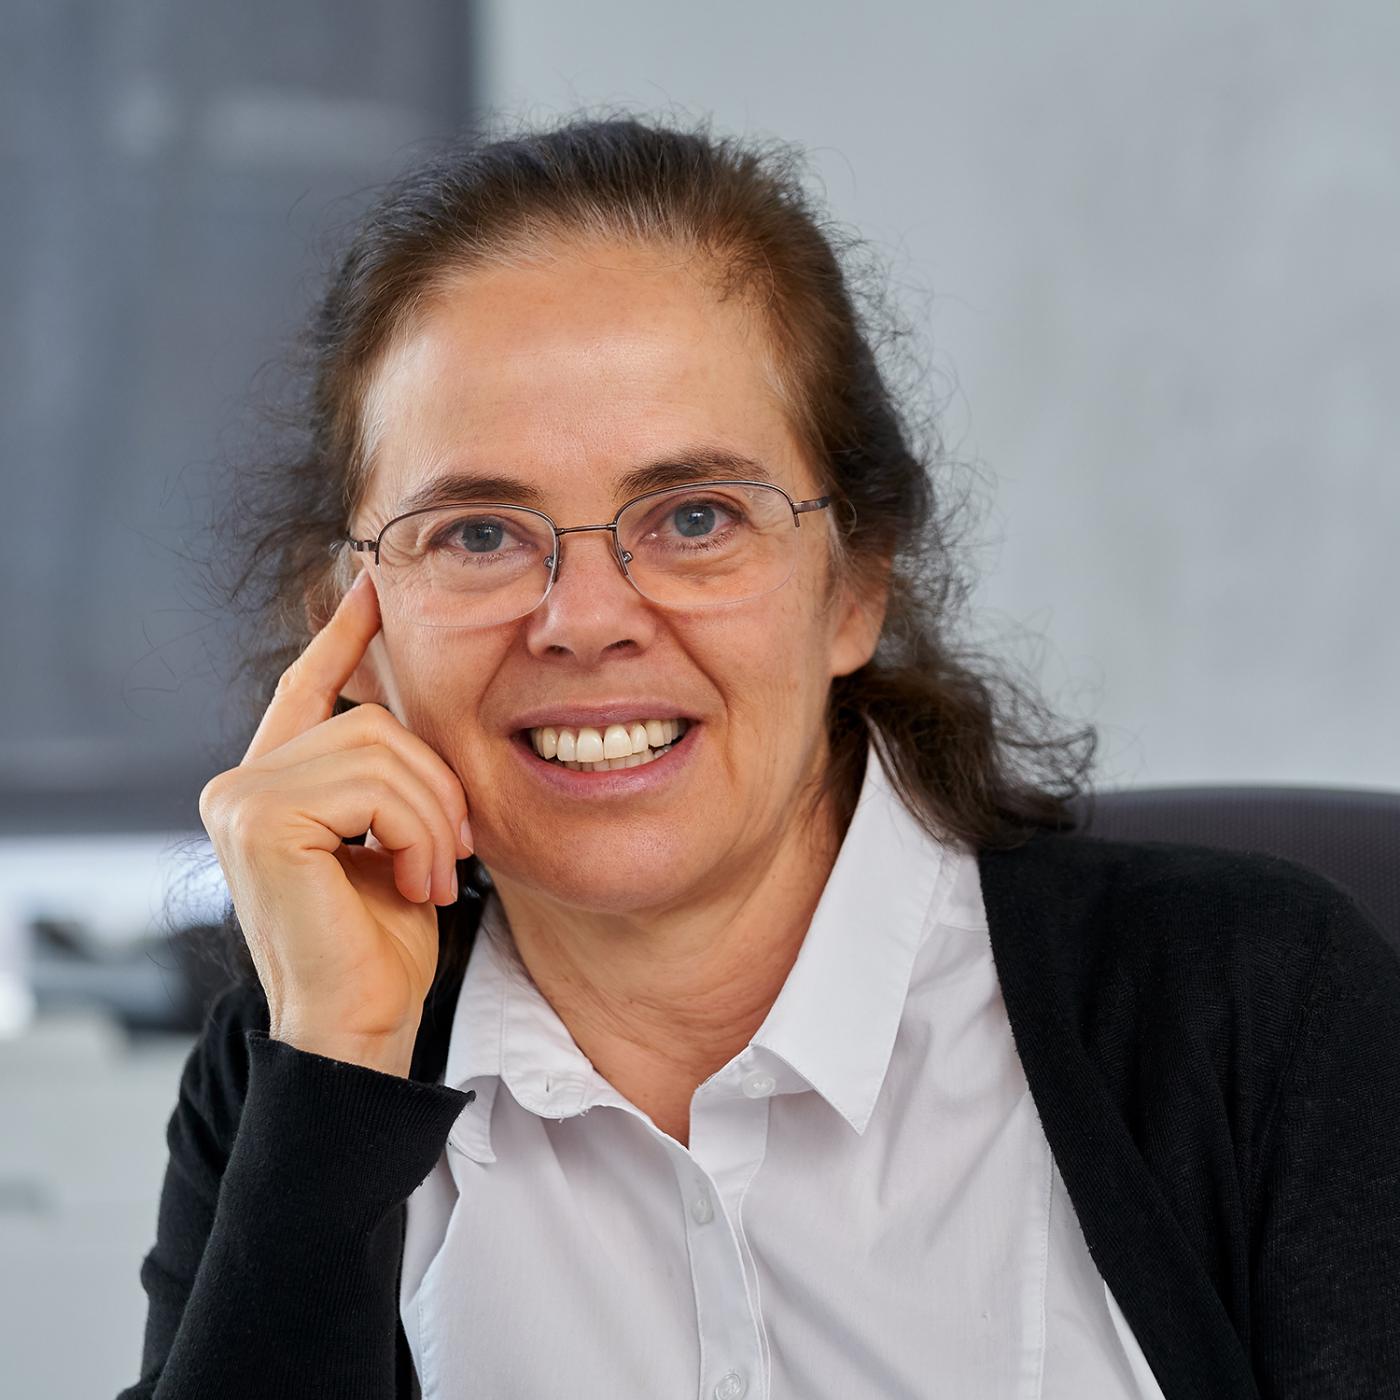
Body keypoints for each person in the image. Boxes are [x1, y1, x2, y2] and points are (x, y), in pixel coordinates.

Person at [118, 114, 1400, 1399]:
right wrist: (334, 1068)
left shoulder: (1249, 1006)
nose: (584, 619)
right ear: (346, 620)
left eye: (692, 517)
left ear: (853, 584)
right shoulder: (290, 1081)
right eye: (476, 533)